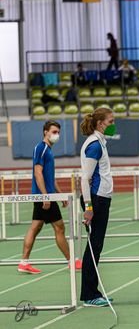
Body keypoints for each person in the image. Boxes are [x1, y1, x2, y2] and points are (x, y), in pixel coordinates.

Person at [18, 121, 82, 274]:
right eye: (54, 132)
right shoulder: (41, 148)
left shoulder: (49, 150)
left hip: (47, 195)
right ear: (45, 132)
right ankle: (71, 261)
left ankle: (23, 262)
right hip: (43, 196)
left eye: (58, 132)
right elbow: (37, 173)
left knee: (36, 227)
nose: (56, 135)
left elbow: (50, 178)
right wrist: (46, 196)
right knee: (59, 227)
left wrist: (60, 195)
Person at [80, 107, 115, 307]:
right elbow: (85, 179)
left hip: (102, 198)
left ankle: (92, 291)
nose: (113, 125)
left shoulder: (100, 142)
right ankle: (89, 294)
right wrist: (88, 207)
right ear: (101, 123)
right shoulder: (94, 145)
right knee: (94, 247)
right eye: (110, 122)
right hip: (96, 200)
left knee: (97, 246)